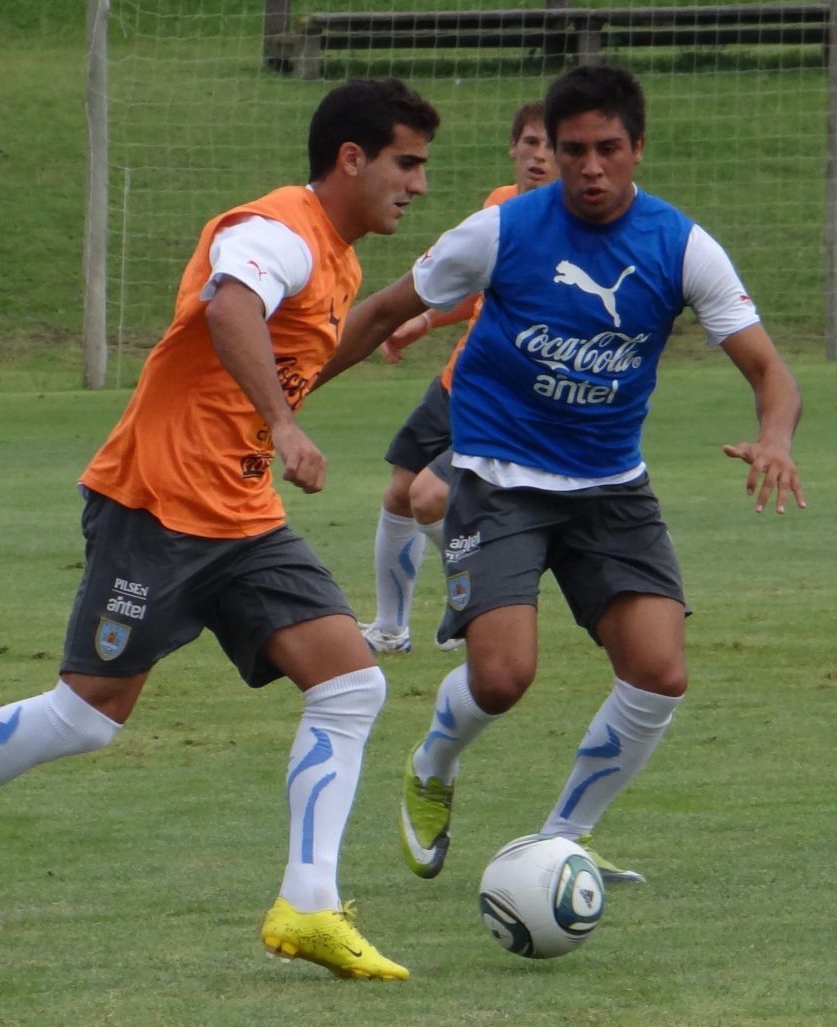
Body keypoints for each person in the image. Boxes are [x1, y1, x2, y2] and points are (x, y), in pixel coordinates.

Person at [0, 78, 441, 981]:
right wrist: (284, 427)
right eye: (408, 163)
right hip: (156, 505)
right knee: (88, 716)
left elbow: (323, 346)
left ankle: (309, 903)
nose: (419, 184)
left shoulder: (340, 261)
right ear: (352, 158)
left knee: (351, 685)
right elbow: (229, 305)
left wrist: (413, 302)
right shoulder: (276, 230)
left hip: (244, 514)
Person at [316, 65, 805, 885]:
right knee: (503, 679)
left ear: (637, 148)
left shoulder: (681, 245)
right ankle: (433, 761)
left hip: (611, 485)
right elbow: (378, 313)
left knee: (659, 671)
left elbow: (770, 372)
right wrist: (280, 402)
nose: (589, 167)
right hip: (499, 476)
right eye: (573, 149)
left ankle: (559, 840)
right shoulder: (500, 231)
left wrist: (776, 438)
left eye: (608, 148)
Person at [359, 101, 557, 655]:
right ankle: (392, 629)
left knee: (429, 498)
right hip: (458, 382)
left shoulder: (571, 231)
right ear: (513, 148)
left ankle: (483, 600)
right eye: (530, 143)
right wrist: (424, 319)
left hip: (504, 399)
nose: (538, 157)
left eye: (549, 146)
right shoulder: (499, 205)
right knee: (401, 493)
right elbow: (472, 282)